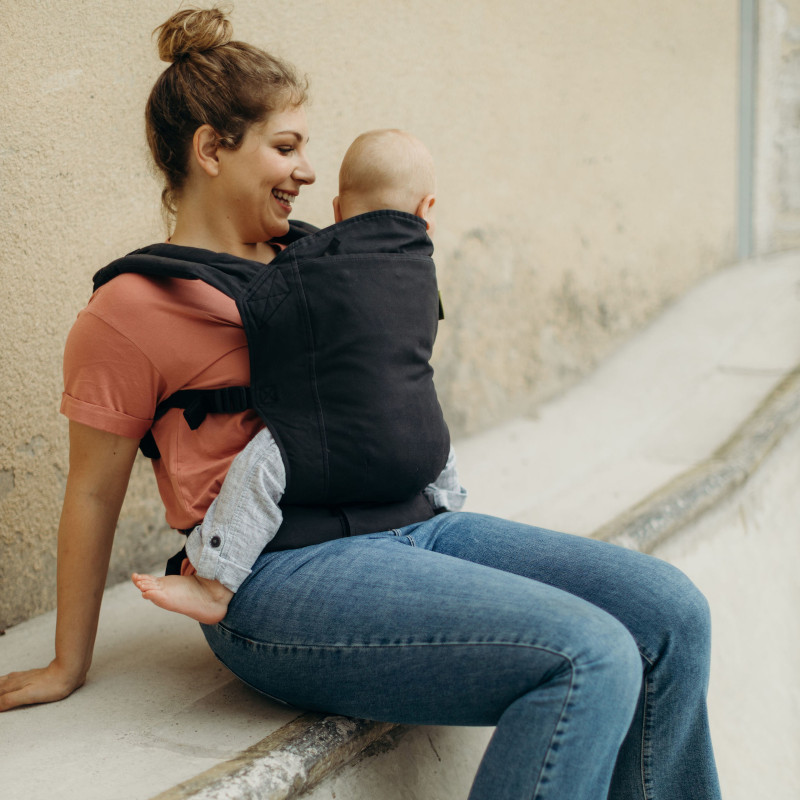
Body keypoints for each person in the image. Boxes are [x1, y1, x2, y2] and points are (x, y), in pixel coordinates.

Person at [0, 8, 721, 800]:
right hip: (280, 576)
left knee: (671, 614)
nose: (309, 171)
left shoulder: (326, 262)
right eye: (285, 146)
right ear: (211, 148)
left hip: (416, 522)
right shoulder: (131, 308)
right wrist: (68, 663)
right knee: (586, 656)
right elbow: (93, 488)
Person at [131, 128, 466, 625]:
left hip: (326, 435)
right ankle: (452, 515)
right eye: (286, 148)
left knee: (260, 466)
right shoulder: (425, 270)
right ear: (427, 210)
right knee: (436, 436)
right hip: (419, 437)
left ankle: (215, 581)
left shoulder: (306, 266)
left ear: (335, 211)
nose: (301, 167)